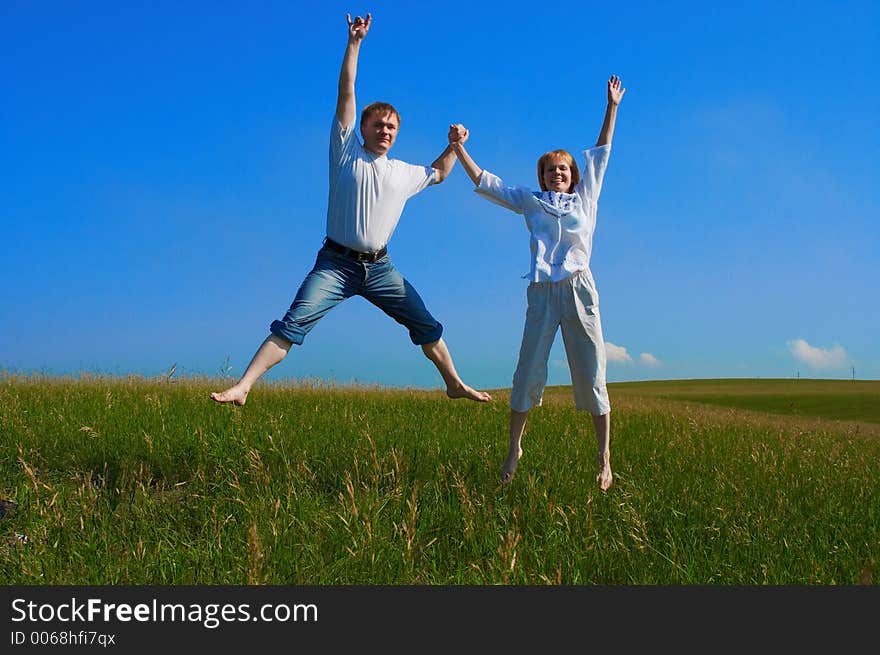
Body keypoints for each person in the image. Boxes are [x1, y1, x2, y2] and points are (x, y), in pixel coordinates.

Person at [211, 13, 491, 406]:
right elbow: (347, 92)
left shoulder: (402, 172)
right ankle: (243, 387)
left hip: (381, 269)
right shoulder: (345, 153)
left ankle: (454, 383)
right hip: (335, 265)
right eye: (378, 124)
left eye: (392, 127)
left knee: (425, 324)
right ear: (363, 128)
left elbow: (440, 174)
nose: (385, 131)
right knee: (292, 323)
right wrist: (355, 44)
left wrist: (455, 146)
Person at [447, 75, 626, 490]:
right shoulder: (530, 200)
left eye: (562, 169)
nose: (556, 174)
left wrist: (612, 107)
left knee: (594, 371)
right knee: (527, 372)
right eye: (549, 170)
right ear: (542, 176)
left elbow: (601, 153)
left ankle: (604, 459)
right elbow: (487, 184)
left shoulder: (586, 197)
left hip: (579, 290)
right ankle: (514, 449)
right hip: (543, 293)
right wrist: (458, 148)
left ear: (572, 174)